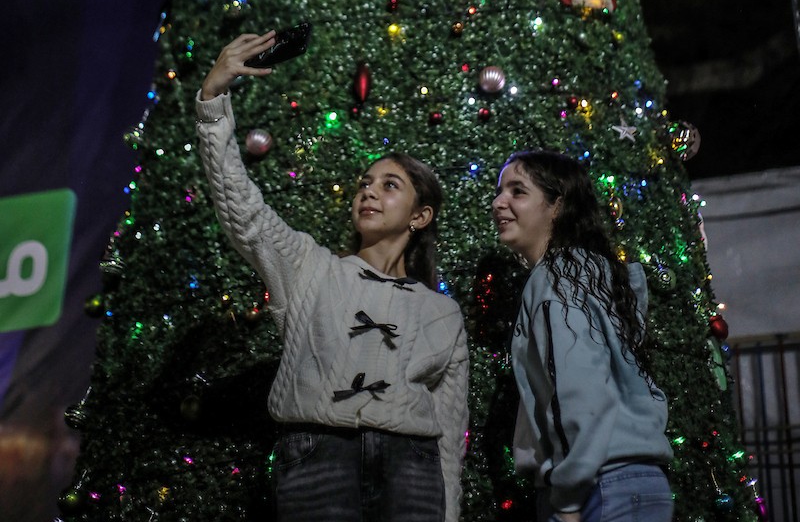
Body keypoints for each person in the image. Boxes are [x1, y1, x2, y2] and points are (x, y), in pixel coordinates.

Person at [195, 29, 469, 522]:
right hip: (318, 461)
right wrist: (213, 102)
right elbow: (242, 210)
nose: (369, 192)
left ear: (420, 216)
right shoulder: (308, 266)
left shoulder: (443, 312)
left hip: (413, 468)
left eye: (390, 185)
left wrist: (449, 514)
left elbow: (450, 428)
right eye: (365, 183)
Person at [492, 149, 673, 522]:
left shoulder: (553, 280)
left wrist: (569, 496)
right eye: (499, 191)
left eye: (518, 191)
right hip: (641, 482)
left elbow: (578, 391)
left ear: (556, 206)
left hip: (597, 488)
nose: (499, 203)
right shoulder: (600, 276)